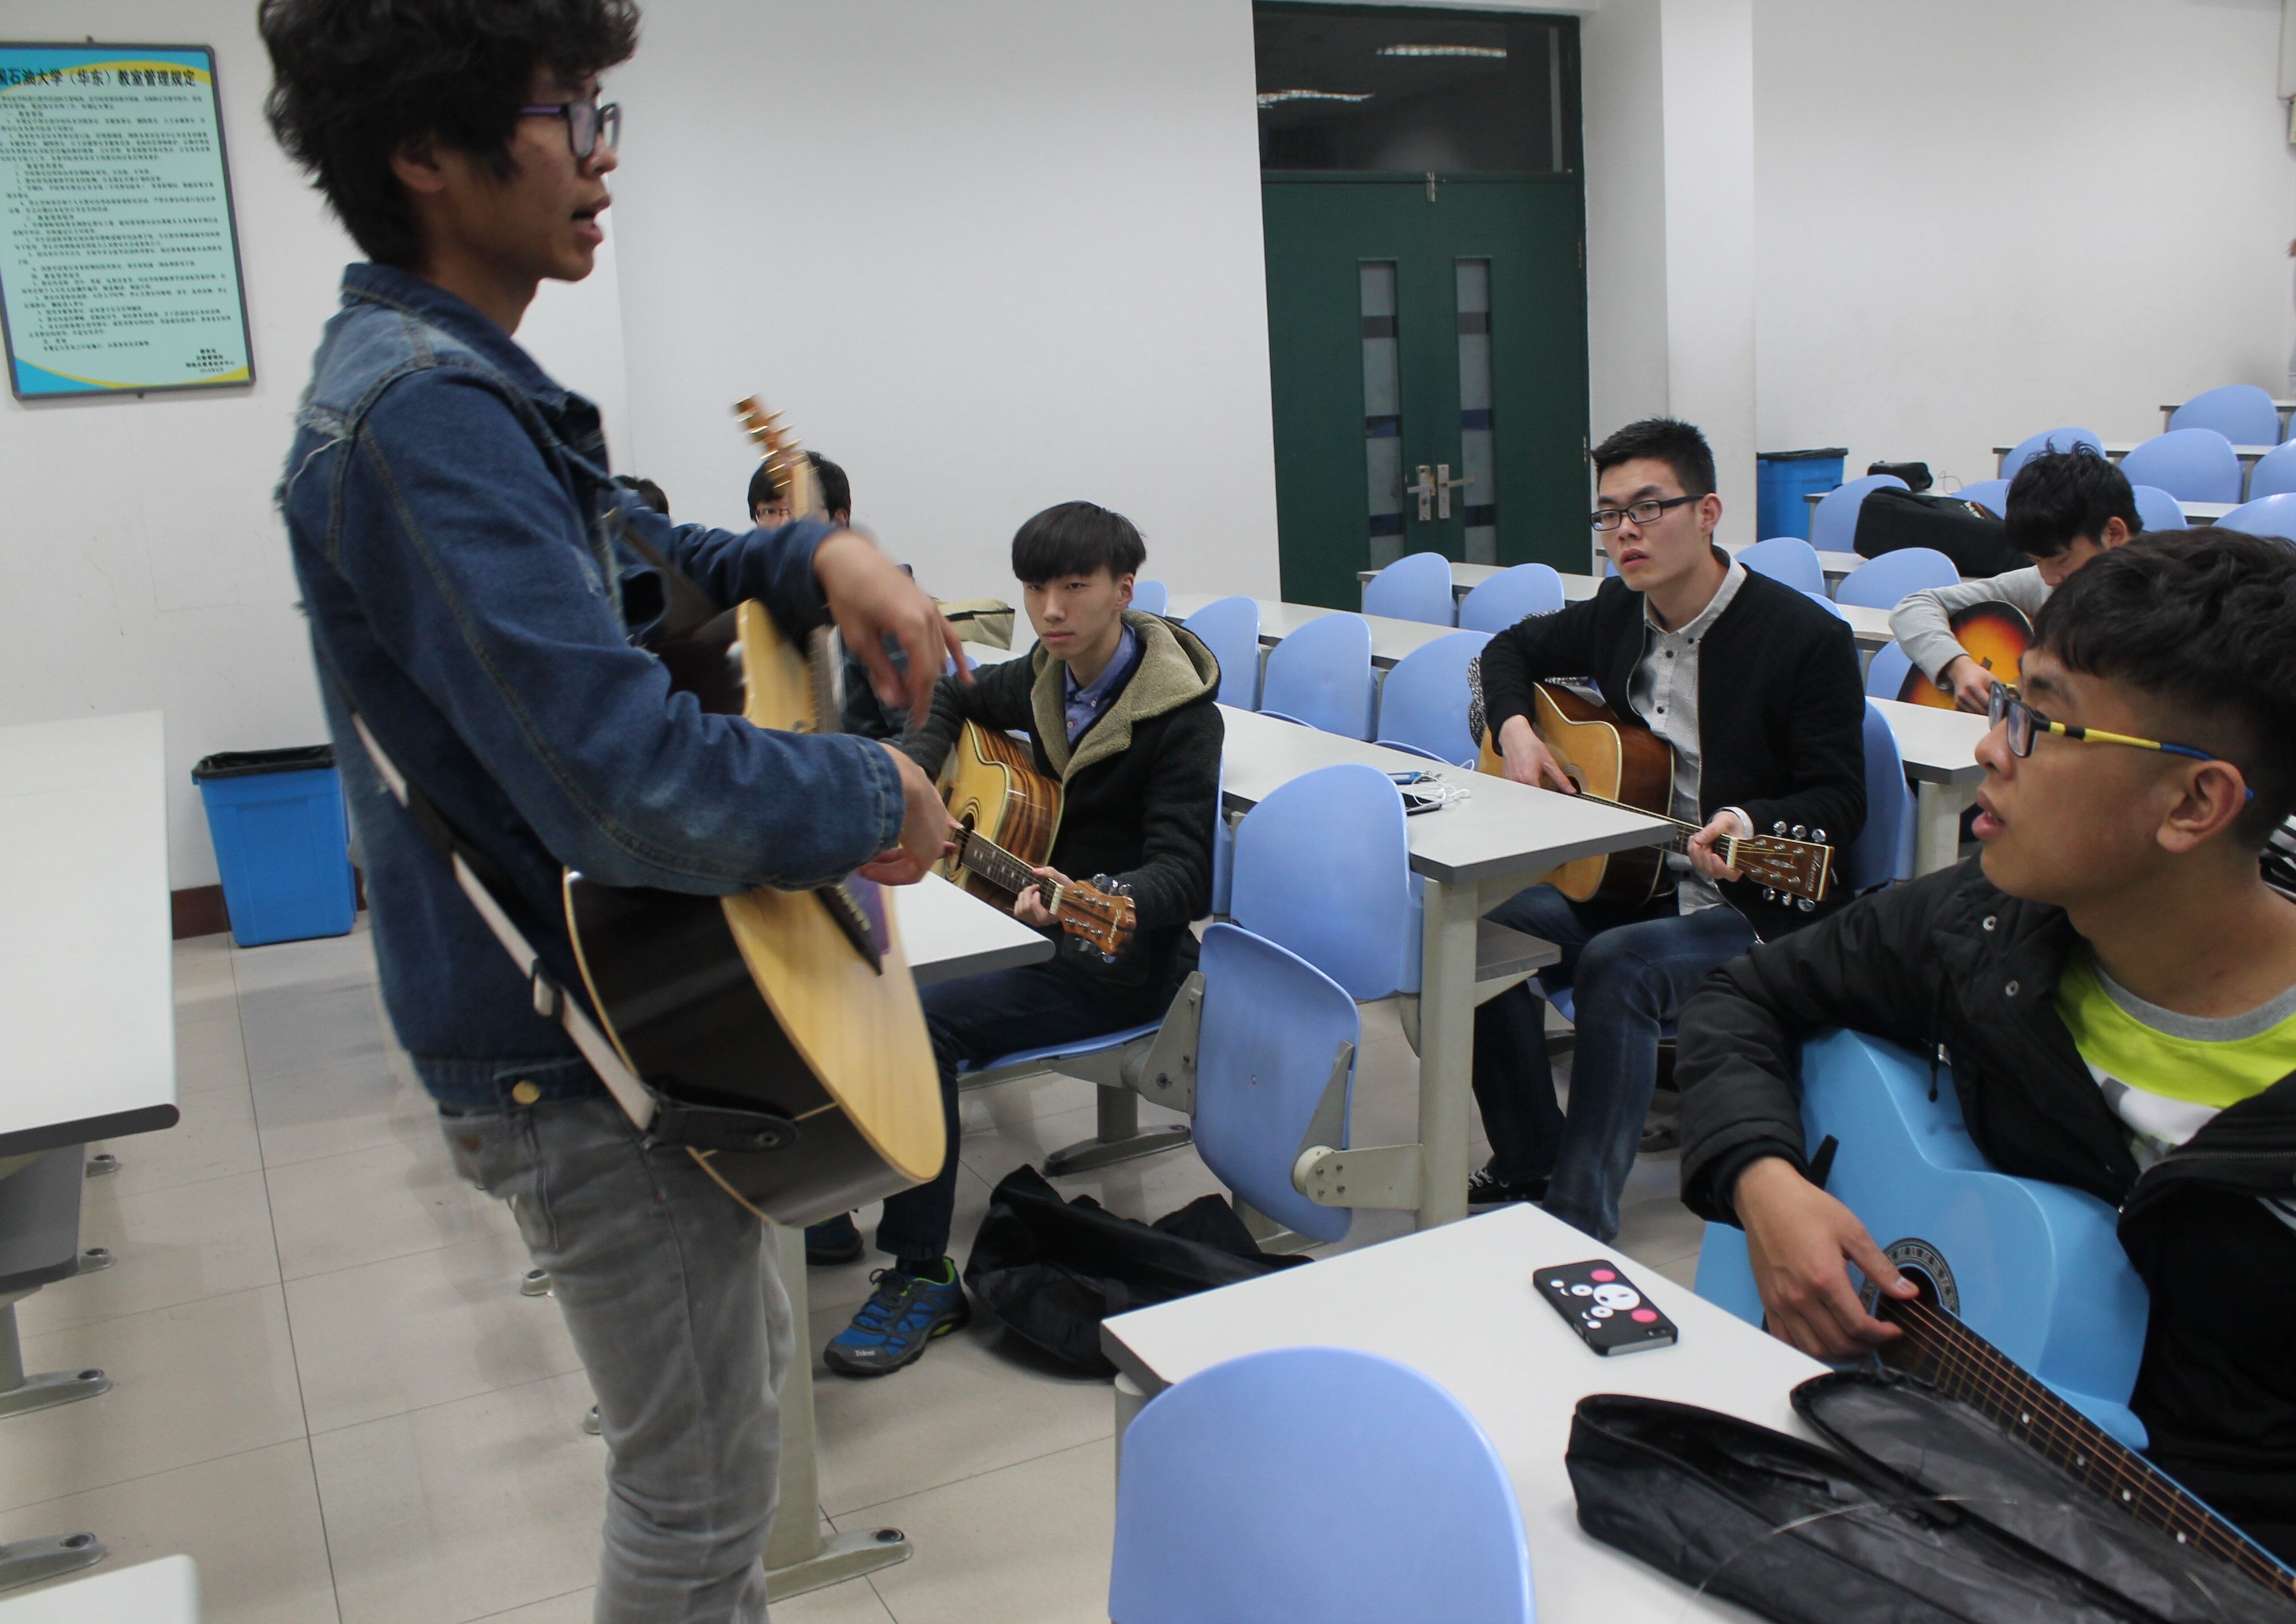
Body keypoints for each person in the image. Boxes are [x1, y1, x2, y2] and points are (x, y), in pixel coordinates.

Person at [258, 2, 959, 1617]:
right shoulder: (422, 414)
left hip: (620, 1020)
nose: (602, 158)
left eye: (602, 113)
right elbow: (627, 780)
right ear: (426, 153)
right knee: (697, 1507)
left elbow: (648, 551)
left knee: (724, 1452)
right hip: (585, 1047)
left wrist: (813, 550)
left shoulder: (458, 385)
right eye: (568, 113)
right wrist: (873, 782)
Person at [1677, 529, 2296, 1562]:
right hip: (1951, 1487)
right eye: (2010, 703)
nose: (1990, 749)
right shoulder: (1981, 927)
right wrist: (1763, 1181)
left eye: (2042, 723)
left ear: (2194, 803)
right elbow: (1742, 997)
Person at [815, 500, 1223, 1374]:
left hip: (1118, 962)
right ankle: (839, 1188)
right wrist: (919, 773)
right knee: (851, 966)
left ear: (1123, 589)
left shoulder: (1180, 716)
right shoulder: (1048, 674)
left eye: (1073, 587)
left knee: (919, 1018)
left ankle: (921, 1271)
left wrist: (1102, 896)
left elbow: (1187, 873)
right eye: (1035, 588)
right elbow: (952, 691)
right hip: (1031, 933)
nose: (1049, 610)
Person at [1471, 418, 1866, 1241]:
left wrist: (1748, 823)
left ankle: (1577, 1217)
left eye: (1648, 509)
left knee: (1620, 963)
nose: (1625, 531)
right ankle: (1530, 1155)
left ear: (1708, 512)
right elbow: (1506, 649)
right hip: (1642, 880)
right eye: (1609, 513)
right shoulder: (1620, 611)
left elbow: (1840, 800)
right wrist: (1515, 730)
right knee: (1481, 936)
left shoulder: (1804, 638)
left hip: (1756, 906)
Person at [1892, 447, 2139, 713]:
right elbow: (1914, 607)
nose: (2049, 578)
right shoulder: (2044, 583)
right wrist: (1959, 667)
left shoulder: (2167, 604)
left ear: (2114, 534)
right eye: (2037, 561)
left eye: (2062, 560)